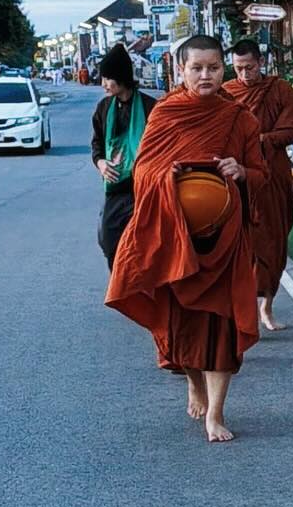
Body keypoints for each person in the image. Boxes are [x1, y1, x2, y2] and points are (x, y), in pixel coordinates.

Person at [106, 35, 266, 444]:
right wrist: (167, 176)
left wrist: (242, 172)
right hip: (179, 240)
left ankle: (216, 412)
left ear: (223, 68)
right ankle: (193, 382)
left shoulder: (239, 118)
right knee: (184, 328)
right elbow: (142, 175)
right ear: (181, 70)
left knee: (222, 329)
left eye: (213, 67)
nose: (206, 75)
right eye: (197, 68)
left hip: (224, 240)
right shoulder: (166, 115)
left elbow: (262, 174)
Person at [223, 36, 293, 331]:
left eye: (250, 68)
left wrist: (258, 141)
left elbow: (291, 129)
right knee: (240, 245)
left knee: (273, 242)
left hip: (273, 174)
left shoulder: (280, 90)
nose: (244, 75)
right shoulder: (226, 93)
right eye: (239, 69)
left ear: (261, 63)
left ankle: (266, 306)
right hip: (237, 176)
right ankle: (242, 311)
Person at [90, 42, 159, 269]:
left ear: (121, 77)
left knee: (146, 243)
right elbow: (97, 144)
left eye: (108, 79)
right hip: (115, 187)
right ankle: (122, 287)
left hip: (145, 187)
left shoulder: (151, 108)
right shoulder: (104, 108)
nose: (103, 85)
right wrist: (100, 163)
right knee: (109, 240)